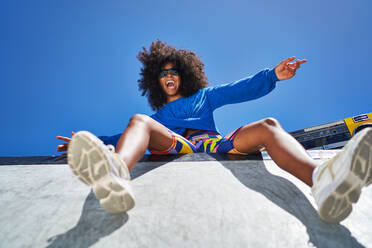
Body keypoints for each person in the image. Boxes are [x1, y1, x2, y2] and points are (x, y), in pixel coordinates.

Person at [56, 40, 372, 223]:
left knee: (269, 126)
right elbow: (120, 136)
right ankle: (115, 175)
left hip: (216, 144)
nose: (168, 75)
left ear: (183, 75)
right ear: (156, 80)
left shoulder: (204, 96)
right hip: (177, 146)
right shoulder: (158, 115)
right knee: (139, 121)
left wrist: (272, 75)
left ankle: (323, 181)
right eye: (163, 73)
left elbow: (240, 89)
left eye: (173, 71)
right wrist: (92, 144)